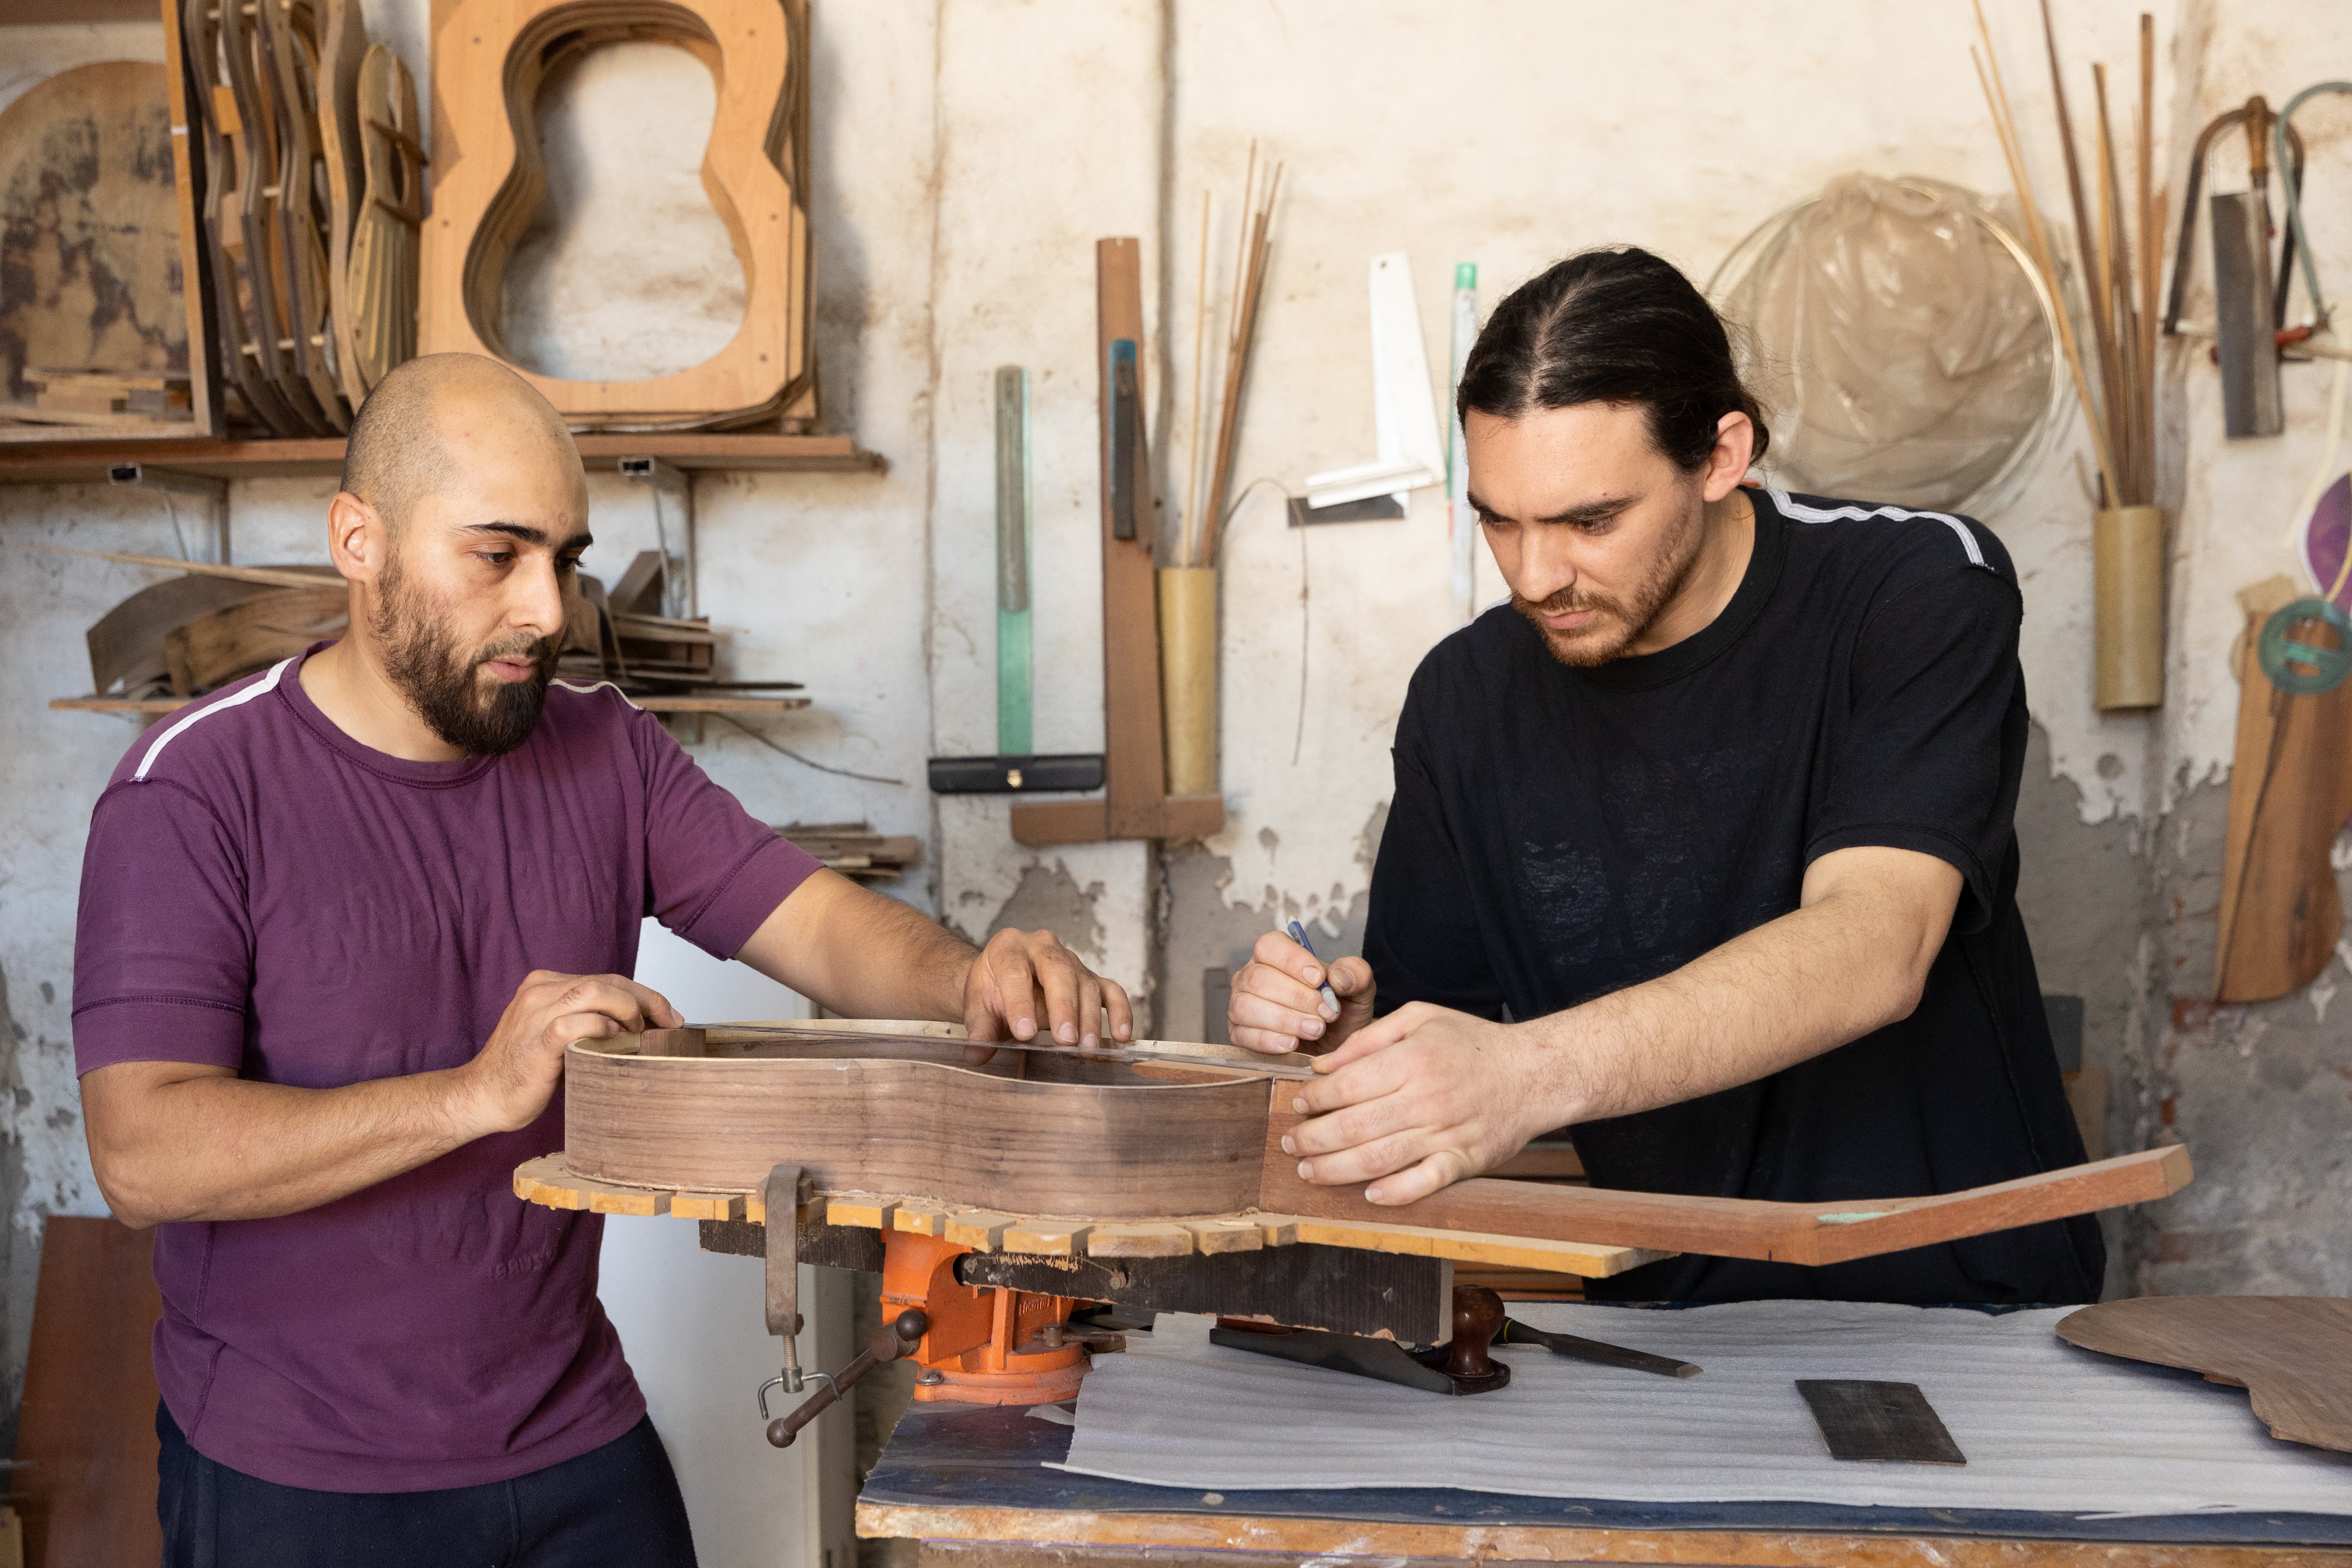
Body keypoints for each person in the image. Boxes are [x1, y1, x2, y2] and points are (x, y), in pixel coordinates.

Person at [73, 353, 1133, 1566]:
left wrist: (970, 977)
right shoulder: (197, 786)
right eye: (497, 554)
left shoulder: (603, 751)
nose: (548, 609)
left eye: (565, 559)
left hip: (571, 1434)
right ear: (357, 541)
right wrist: (478, 1092)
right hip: (298, 1471)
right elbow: (142, 1149)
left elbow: (818, 922)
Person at [1227, 247, 2098, 1307]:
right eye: (1500, 519)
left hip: (1957, 1304)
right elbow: (1451, 1046)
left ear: (1722, 454)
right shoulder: (1467, 700)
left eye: (1590, 521)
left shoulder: (1913, 590)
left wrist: (1524, 1074)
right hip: (1668, 1325)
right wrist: (1351, 1041)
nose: (1536, 574)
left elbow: (1877, 945)